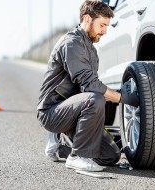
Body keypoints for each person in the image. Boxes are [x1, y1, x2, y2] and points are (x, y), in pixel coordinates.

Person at [37, 0, 139, 172]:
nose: (105, 31)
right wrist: (122, 98)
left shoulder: (91, 50)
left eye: (107, 26)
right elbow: (90, 86)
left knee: (110, 155)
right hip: (51, 111)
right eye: (102, 25)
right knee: (94, 99)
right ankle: (78, 157)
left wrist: (116, 94)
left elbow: (87, 87)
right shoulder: (72, 43)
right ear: (86, 19)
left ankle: (61, 144)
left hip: (72, 111)